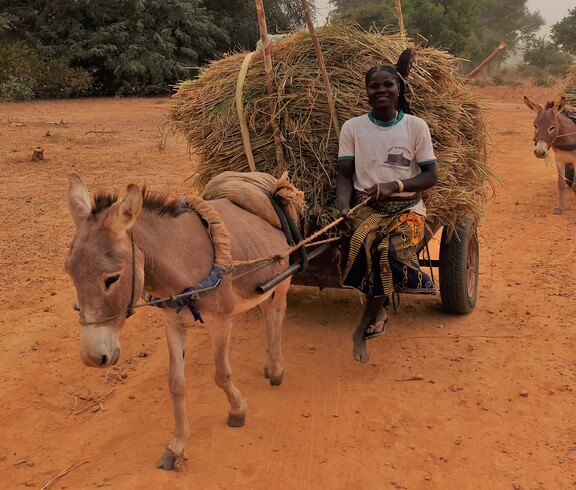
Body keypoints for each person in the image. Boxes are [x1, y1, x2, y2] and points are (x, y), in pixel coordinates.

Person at [336, 62, 438, 363]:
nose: (381, 90)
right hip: (366, 207)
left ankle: (364, 324)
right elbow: (344, 174)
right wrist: (343, 206)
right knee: (359, 244)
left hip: (407, 208)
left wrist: (395, 184)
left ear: (398, 90)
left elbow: (431, 176)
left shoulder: (416, 126)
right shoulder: (353, 127)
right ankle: (378, 309)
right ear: (367, 92)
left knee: (388, 253)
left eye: (387, 85)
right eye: (374, 86)